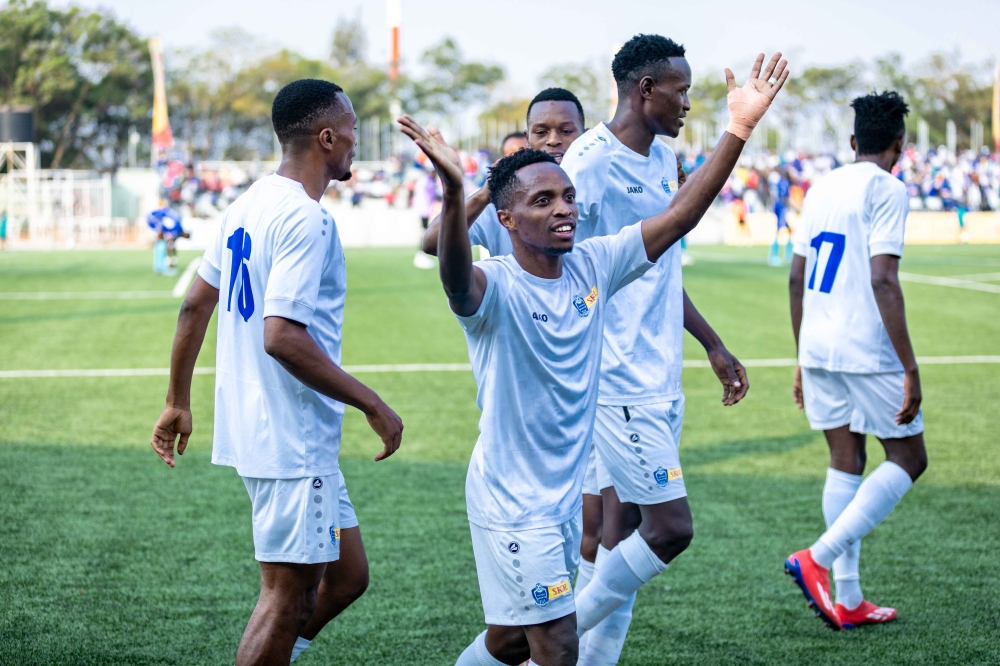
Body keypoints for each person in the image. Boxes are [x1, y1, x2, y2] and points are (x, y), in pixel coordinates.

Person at [398, 49, 783, 666]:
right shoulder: (493, 286)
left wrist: (739, 129)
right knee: (557, 645)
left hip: (555, 497)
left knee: (508, 641)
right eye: (542, 201)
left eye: (568, 198)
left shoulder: (595, 265)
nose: (563, 209)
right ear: (504, 219)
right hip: (511, 499)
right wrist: (450, 185)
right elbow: (450, 274)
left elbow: (680, 216)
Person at [150, 79, 404, 665]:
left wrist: (177, 400)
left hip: (267, 429)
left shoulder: (248, 203)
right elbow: (282, 338)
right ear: (325, 136)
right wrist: (373, 404)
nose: (355, 143)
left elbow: (195, 303)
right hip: (289, 437)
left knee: (346, 577)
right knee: (285, 597)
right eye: (351, 131)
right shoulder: (306, 220)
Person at [566, 40, 786, 665]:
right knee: (669, 530)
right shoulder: (590, 163)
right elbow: (564, 272)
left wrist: (711, 343)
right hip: (616, 380)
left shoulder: (663, 155)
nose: (687, 103)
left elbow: (657, 263)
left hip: (658, 371)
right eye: (679, 90)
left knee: (622, 538)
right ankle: (536, 648)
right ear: (643, 90)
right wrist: (739, 127)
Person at [421, 87, 613, 628]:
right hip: (523, 381)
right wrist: (486, 188)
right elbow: (435, 243)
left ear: (585, 134)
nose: (553, 141)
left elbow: (653, 254)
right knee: (550, 622)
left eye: (566, 131)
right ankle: (560, 631)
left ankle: (564, 629)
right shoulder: (507, 200)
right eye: (539, 133)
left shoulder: (582, 199)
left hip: (589, 378)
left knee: (599, 532)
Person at [786, 90, 927, 631]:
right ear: (899, 144)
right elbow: (882, 277)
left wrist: (801, 355)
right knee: (910, 458)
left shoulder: (821, 186)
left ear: (851, 142)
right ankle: (817, 560)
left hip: (818, 344)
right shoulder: (888, 187)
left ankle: (847, 598)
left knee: (845, 460)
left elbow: (797, 277)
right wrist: (910, 367)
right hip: (867, 349)